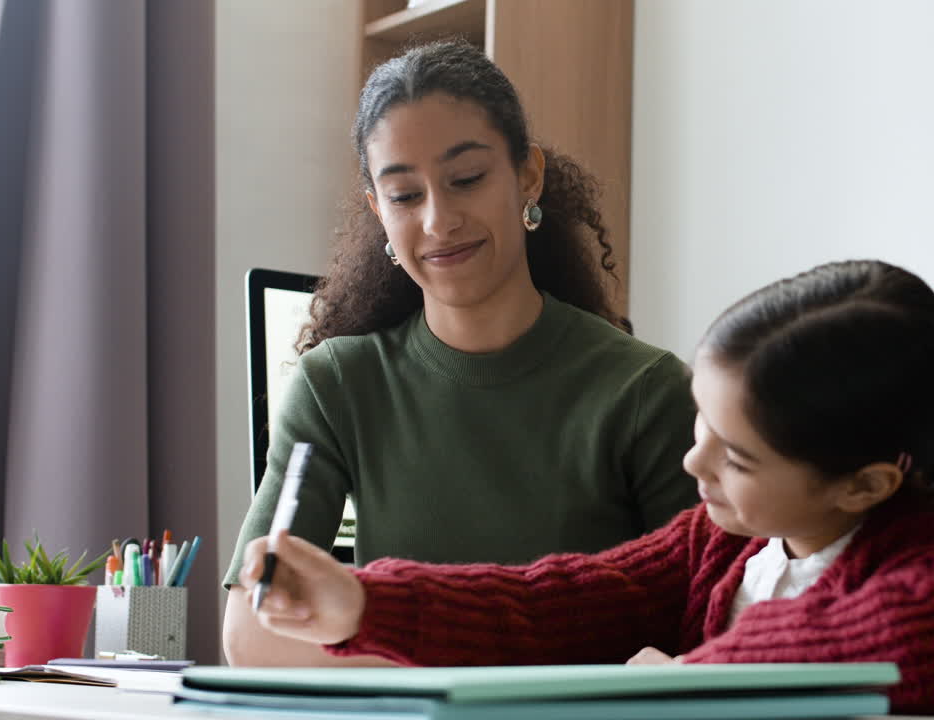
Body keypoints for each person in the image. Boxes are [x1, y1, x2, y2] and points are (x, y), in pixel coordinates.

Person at [237, 260, 934, 715]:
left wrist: (668, 679)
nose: (693, 464)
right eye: (699, 426)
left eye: (737, 456)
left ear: (862, 485)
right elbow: (565, 600)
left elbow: (762, 681)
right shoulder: (735, 540)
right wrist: (363, 604)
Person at [221, 40, 698, 666]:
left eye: (466, 179)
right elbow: (253, 636)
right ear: (377, 211)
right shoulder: (337, 385)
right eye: (404, 195)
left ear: (528, 174)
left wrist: (397, 641)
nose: (439, 220)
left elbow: (702, 626)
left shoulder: (647, 390)